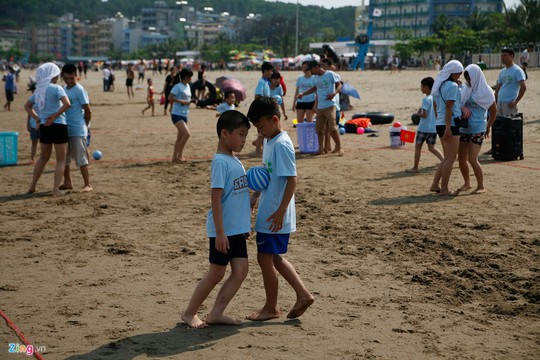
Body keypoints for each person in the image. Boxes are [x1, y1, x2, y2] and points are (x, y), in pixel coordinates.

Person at [245, 96, 314, 321]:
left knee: (265, 258)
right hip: (270, 207)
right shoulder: (269, 141)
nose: (260, 132)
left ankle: (271, 307)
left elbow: (292, 180)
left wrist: (281, 211)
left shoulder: (282, 144)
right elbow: (268, 175)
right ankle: (303, 294)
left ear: (275, 120)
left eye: (261, 127)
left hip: (275, 212)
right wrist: (255, 196)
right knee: (272, 258)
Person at [181, 110, 252, 329]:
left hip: (236, 229)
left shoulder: (234, 160)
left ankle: (216, 313)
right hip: (223, 231)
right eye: (241, 135)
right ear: (224, 134)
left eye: (245, 136)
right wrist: (220, 233)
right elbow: (216, 198)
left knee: (241, 271)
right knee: (216, 274)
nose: (244, 140)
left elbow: (239, 197)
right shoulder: (220, 162)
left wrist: (244, 224)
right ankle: (189, 313)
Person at [24, 62, 71, 196]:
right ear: (52, 75)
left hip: (44, 126)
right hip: (58, 125)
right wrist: (55, 115)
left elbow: (27, 106)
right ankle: (55, 189)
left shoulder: (39, 90)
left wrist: (37, 118)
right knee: (60, 159)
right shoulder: (57, 89)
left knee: (43, 158)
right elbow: (67, 104)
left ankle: (32, 186)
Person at [456, 64, 497, 195]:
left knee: (472, 158)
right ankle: (467, 182)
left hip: (478, 128)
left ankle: (481, 186)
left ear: (476, 76)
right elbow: (458, 104)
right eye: (466, 78)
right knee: (461, 158)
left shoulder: (486, 91)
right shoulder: (466, 89)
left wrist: (488, 126)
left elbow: (494, 111)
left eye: (470, 77)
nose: (468, 80)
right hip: (465, 127)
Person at [430, 60, 464, 196]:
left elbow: (436, 105)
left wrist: (442, 121)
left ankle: (435, 184)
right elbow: (450, 107)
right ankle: (444, 189)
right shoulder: (452, 86)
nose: (459, 76)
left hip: (440, 123)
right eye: (459, 74)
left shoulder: (439, 85)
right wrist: (449, 127)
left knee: (446, 158)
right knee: (450, 158)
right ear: (454, 73)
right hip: (450, 124)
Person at [297, 60, 343, 156]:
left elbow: (339, 85)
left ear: (316, 67)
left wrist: (334, 93)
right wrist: (303, 94)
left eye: (311, 69)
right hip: (320, 107)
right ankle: (321, 150)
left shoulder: (330, 74)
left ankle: (339, 147)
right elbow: (315, 88)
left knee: (333, 128)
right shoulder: (315, 78)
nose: (311, 72)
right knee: (319, 130)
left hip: (330, 105)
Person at [59, 64, 93, 193]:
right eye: (66, 78)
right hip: (65, 128)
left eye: (71, 79)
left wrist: (85, 125)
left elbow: (88, 111)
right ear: (63, 77)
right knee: (65, 158)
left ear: (76, 77)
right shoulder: (62, 89)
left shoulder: (79, 90)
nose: (69, 81)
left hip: (78, 129)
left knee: (81, 158)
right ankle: (67, 182)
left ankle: (87, 184)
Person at [406, 77, 444, 173]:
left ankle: (415, 167)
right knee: (432, 148)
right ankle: (444, 161)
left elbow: (424, 115)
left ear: (426, 87)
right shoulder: (435, 98)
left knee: (418, 147)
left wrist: (418, 114)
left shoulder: (426, 99)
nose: (421, 88)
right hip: (433, 128)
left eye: (422, 86)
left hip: (423, 128)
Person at [169, 68, 194, 162]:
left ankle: (175, 157)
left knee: (179, 137)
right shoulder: (178, 86)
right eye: (190, 77)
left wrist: (191, 101)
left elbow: (187, 99)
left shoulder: (188, 86)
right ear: (186, 77)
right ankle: (179, 155)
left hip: (185, 114)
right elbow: (170, 97)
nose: (191, 79)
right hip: (176, 114)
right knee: (187, 134)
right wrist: (181, 101)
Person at [494, 48, 527, 117]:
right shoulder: (502, 71)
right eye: (501, 56)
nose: (502, 58)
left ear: (512, 56)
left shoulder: (517, 70)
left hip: (509, 104)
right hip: (499, 103)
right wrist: (495, 100)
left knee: (509, 126)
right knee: (499, 126)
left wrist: (515, 102)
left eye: (505, 55)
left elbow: (523, 87)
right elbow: (498, 86)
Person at [251, 61, 274, 155]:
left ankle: (261, 149)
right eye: (271, 71)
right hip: (262, 110)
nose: (272, 73)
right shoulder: (262, 82)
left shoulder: (266, 82)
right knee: (263, 131)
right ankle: (257, 151)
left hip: (265, 109)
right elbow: (257, 96)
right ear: (265, 71)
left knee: (264, 131)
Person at [26, 83, 39, 163]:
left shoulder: (42, 98)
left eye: (33, 90)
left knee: (43, 143)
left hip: (42, 124)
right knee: (34, 142)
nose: (32, 92)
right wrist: (28, 124)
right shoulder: (31, 99)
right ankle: (32, 158)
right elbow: (29, 113)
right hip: (33, 124)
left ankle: (43, 158)